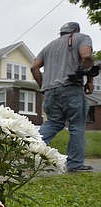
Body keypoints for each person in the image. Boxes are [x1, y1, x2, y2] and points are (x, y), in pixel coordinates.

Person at [31, 22, 95, 172]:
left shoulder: (49, 46)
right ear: (76, 31)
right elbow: (86, 57)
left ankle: (27, 151)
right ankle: (75, 164)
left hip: (50, 92)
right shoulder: (82, 38)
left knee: (53, 123)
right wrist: (90, 76)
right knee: (76, 126)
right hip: (71, 88)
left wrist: (43, 87)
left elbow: (34, 67)